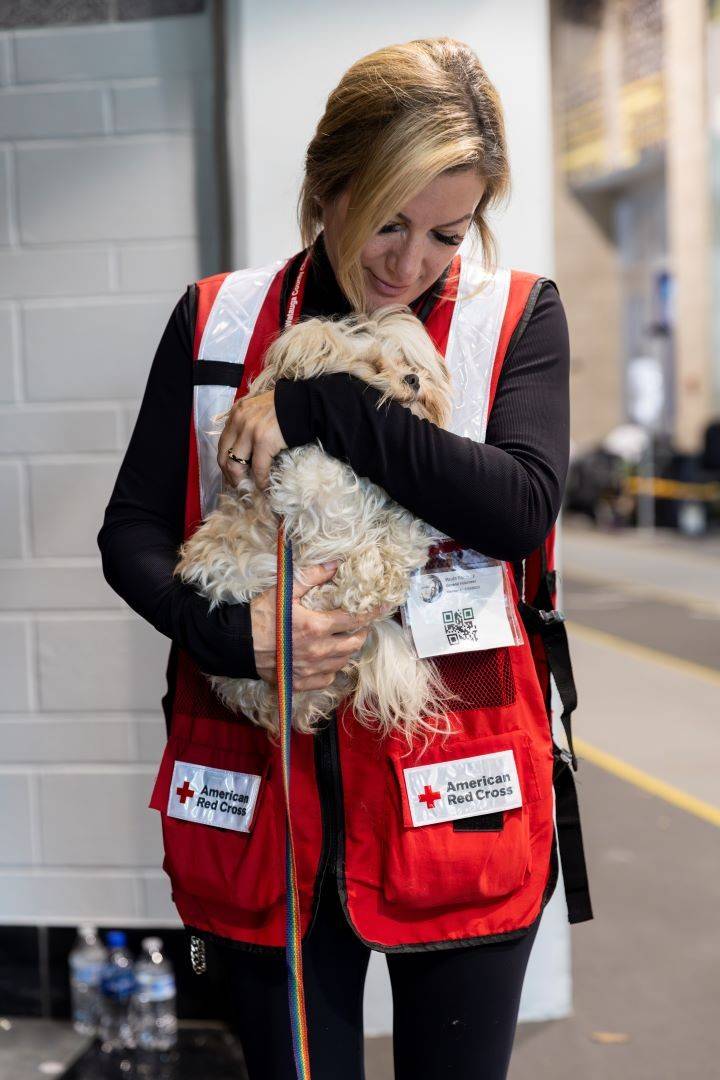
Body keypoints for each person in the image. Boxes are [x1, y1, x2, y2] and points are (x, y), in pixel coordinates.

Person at [97, 37, 577, 1080]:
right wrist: (233, 633)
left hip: (456, 795)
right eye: (387, 221)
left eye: (447, 233)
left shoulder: (513, 318)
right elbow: (130, 532)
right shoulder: (218, 317)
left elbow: (519, 509)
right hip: (259, 798)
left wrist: (321, 401)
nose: (408, 267)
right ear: (328, 186)